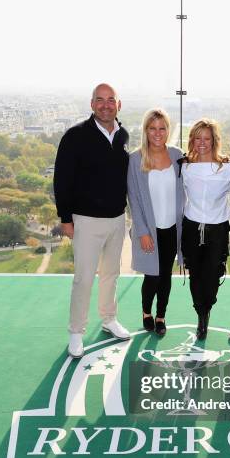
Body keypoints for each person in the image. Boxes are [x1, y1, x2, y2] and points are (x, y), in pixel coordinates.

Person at [54, 83, 130, 358]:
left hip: (117, 219)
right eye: (100, 100)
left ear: (118, 105)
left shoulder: (123, 135)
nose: (106, 105)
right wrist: (66, 218)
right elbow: (61, 180)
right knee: (84, 278)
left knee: (111, 274)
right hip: (85, 220)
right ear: (92, 104)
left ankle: (109, 319)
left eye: (111, 100)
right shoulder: (75, 136)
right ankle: (76, 331)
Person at [127, 109, 183, 336]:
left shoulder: (178, 155)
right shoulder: (135, 159)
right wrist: (142, 231)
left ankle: (161, 316)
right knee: (152, 276)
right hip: (149, 230)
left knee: (166, 276)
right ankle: (146, 312)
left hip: (171, 228)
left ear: (168, 130)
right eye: (153, 128)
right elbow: (133, 198)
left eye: (162, 128)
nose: (158, 133)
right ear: (146, 131)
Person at [181, 119, 230, 340]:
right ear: (192, 140)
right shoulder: (184, 166)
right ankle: (201, 315)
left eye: (207, 138)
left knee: (212, 275)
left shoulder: (228, 167)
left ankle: (207, 308)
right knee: (195, 275)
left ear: (214, 141)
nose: (202, 142)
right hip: (192, 227)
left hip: (217, 229)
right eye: (198, 138)